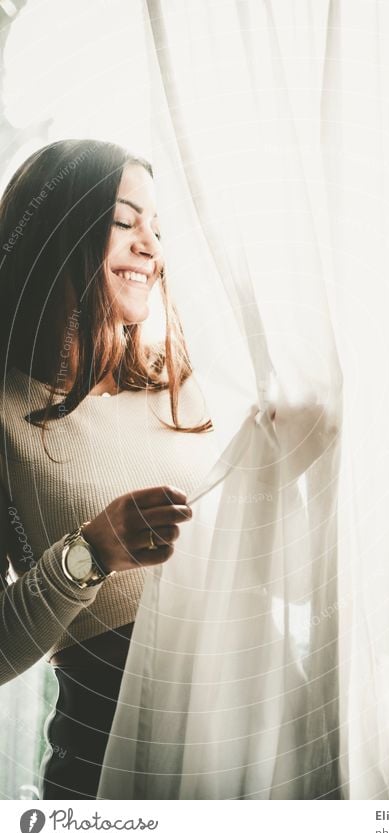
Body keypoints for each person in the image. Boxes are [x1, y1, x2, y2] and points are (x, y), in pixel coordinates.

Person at [0, 139, 218, 799]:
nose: (151, 246)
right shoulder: (6, 411)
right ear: (54, 235)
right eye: (125, 222)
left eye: (157, 226)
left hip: (249, 735)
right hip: (104, 765)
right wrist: (93, 551)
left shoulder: (186, 388)